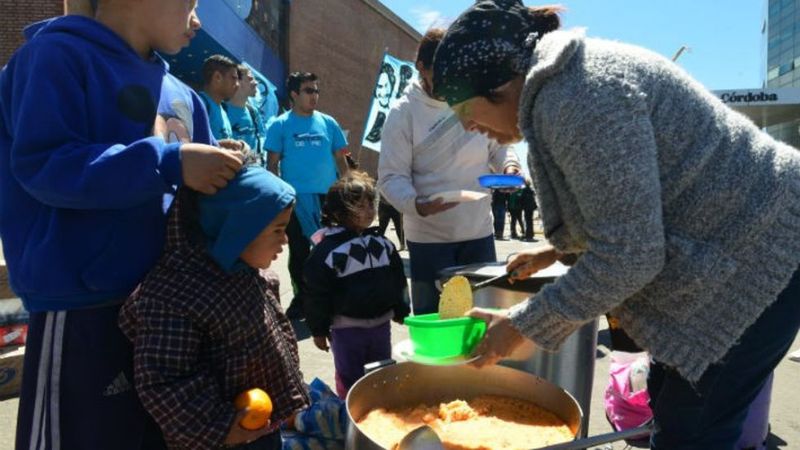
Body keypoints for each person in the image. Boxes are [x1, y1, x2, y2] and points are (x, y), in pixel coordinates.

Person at [432, 1, 800, 449]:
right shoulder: (565, 83)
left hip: (762, 258)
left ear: (502, 83)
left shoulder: (579, 97)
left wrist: (520, 325)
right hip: (733, 252)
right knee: (672, 412)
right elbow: (630, 207)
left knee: (694, 433)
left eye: (463, 109)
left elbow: (630, 255)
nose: (468, 125)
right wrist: (554, 253)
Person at [0, 1, 244, 448]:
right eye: (189, 3)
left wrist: (234, 185)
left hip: (170, 309)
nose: (198, 19)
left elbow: (198, 199)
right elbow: (43, 166)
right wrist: (171, 162)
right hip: (82, 308)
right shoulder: (54, 56)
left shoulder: (183, 94)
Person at [119, 162, 310, 450]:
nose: (285, 241)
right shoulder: (176, 295)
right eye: (278, 230)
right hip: (219, 439)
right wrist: (220, 427)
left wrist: (291, 395)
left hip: (262, 425)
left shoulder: (256, 277)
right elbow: (163, 381)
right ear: (237, 230)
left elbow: (281, 340)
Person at [378, 28, 521, 315]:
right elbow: (391, 177)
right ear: (421, 67)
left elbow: (497, 144)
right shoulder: (403, 113)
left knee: (481, 322)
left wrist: (510, 165)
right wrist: (416, 204)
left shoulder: (473, 98)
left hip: (478, 232)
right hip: (429, 239)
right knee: (437, 324)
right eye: (441, 74)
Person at [303, 172, 410, 398]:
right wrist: (318, 329)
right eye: (359, 206)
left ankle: (380, 413)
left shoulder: (381, 244)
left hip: (381, 325)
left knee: (381, 373)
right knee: (350, 377)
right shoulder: (327, 251)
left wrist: (401, 308)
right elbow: (316, 293)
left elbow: (398, 279)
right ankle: (350, 415)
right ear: (338, 212)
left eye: (371, 203)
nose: (369, 210)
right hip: (346, 329)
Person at [266, 72, 351, 319]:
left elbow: (340, 157)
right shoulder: (280, 125)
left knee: (331, 249)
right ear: (294, 94)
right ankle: (302, 299)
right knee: (301, 252)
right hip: (295, 200)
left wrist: (346, 189)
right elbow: (272, 165)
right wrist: (277, 197)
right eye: (308, 91)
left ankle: (333, 297)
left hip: (328, 199)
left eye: (316, 91)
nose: (314, 96)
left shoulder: (328, 122)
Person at [227, 64, 266, 161]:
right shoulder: (222, 110)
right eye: (250, 79)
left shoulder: (253, 111)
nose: (256, 83)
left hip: (253, 169)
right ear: (238, 81)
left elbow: (261, 141)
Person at [200, 54, 240, 142]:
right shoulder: (199, 104)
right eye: (233, 78)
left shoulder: (223, 110)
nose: (237, 84)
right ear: (217, 77)